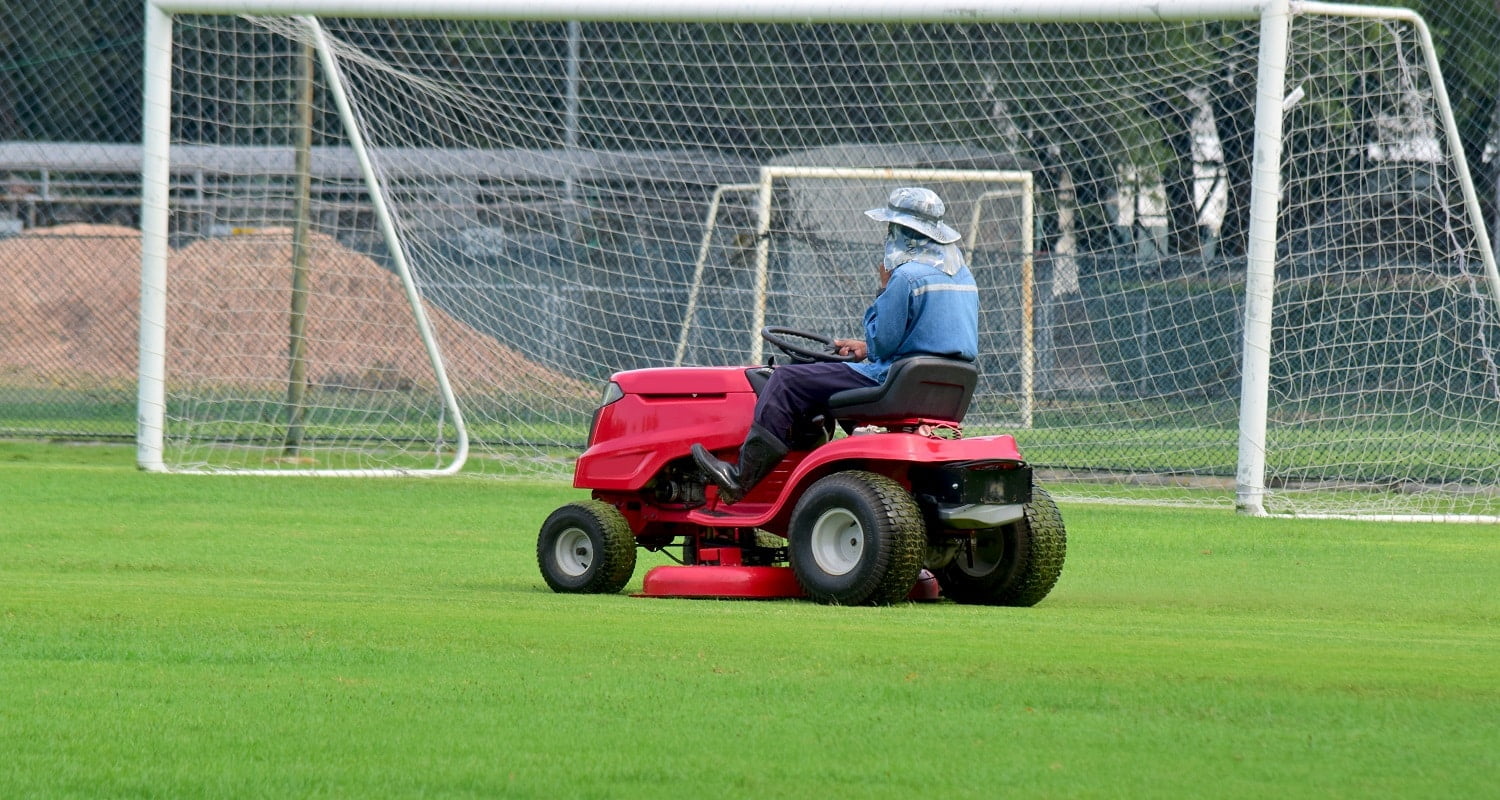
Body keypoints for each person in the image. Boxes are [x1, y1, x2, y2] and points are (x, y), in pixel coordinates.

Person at [691, 186, 980, 503]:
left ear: (903, 232)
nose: (887, 236)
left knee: (786, 381)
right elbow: (932, 335)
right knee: (822, 377)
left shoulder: (906, 277)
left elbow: (883, 344)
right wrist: (864, 349)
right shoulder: (962, 275)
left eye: (891, 229)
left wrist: (883, 289)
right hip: (943, 383)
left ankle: (739, 478)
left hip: (892, 378)